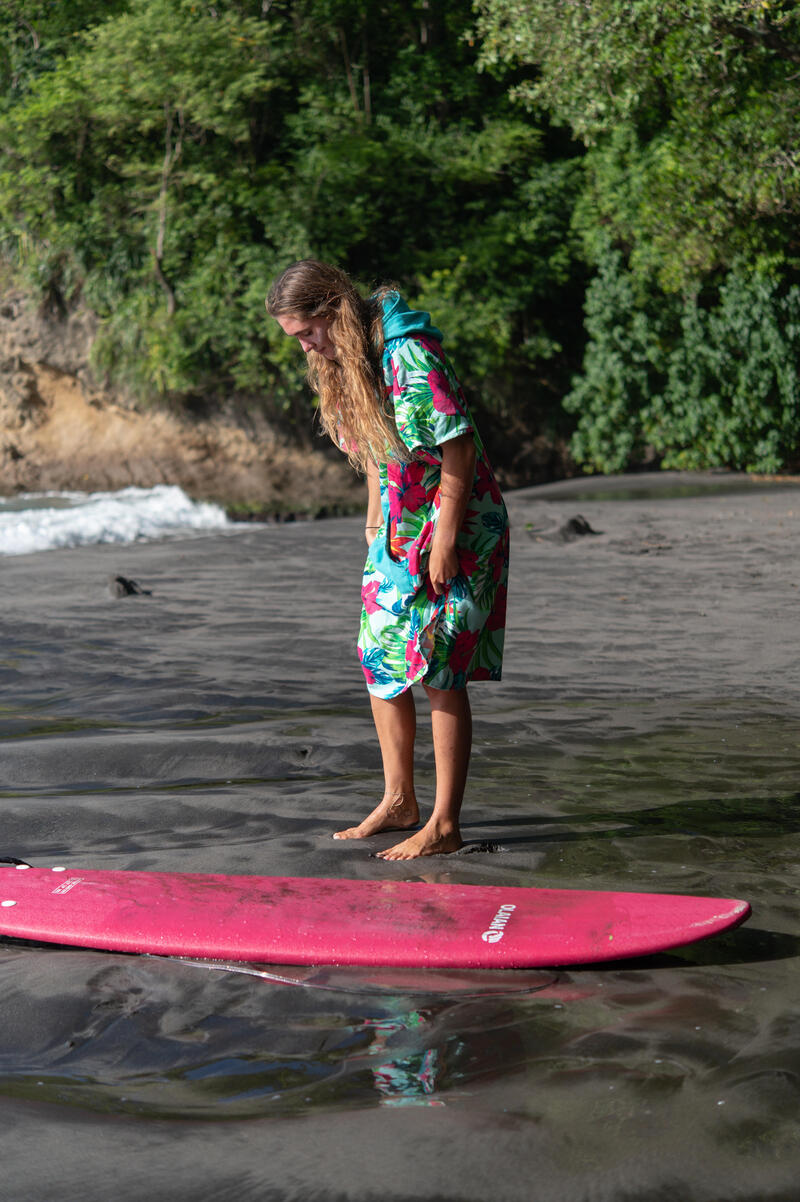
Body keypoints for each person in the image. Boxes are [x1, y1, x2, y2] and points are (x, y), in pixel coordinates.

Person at [266, 260, 509, 860]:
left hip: (457, 526)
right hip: (398, 530)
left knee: (438, 669)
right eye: (297, 338)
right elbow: (376, 447)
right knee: (381, 657)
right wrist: (375, 522)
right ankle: (400, 799)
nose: (306, 345)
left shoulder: (408, 354)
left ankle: (446, 825)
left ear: (334, 310)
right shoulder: (346, 362)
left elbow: (458, 445)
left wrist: (447, 535)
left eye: (308, 331)